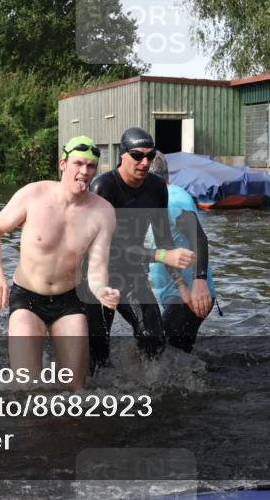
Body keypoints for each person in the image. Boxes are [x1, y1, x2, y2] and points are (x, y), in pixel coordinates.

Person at [0, 136, 119, 390]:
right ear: (62, 164)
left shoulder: (103, 212)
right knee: (26, 386)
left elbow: (98, 268)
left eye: (91, 166)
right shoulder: (33, 194)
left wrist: (102, 290)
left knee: (76, 390)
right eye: (78, 163)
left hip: (69, 301)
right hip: (27, 299)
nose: (84, 172)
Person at [86, 127, 195, 372]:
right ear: (122, 155)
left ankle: (148, 391)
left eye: (150, 155)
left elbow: (164, 239)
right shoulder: (102, 188)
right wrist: (160, 255)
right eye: (137, 155)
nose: (145, 162)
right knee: (97, 354)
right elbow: (106, 247)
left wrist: (182, 286)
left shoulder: (157, 188)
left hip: (131, 272)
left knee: (153, 337)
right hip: (97, 275)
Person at [147, 152, 216, 353]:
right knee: (171, 354)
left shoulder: (174, 201)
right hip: (178, 291)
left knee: (166, 354)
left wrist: (199, 282)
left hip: (193, 295)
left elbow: (200, 238)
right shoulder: (157, 199)